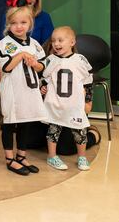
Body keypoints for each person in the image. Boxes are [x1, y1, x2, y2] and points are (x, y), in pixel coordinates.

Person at [0, 0, 47, 176]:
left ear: (30, 23)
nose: (19, 26)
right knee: (10, 123)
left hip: (30, 90)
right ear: (8, 24)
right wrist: (20, 56)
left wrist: (35, 64)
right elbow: (5, 67)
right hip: (12, 90)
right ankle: (9, 158)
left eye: (23, 22)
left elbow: (42, 67)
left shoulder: (35, 44)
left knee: (26, 122)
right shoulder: (4, 44)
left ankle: (21, 155)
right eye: (14, 23)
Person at [41, 26, 93, 171]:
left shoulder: (80, 60)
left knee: (80, 130)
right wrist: (42, 87)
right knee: (53, 130)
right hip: (55, 102)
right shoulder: (50, 60)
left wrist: (88, 100)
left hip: (74, 103)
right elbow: (44, 79)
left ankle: (82, 157)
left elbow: (88, 82)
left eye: (60, 40)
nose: (56, 44)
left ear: (72, 42)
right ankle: (52, 156)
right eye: (53, 41)